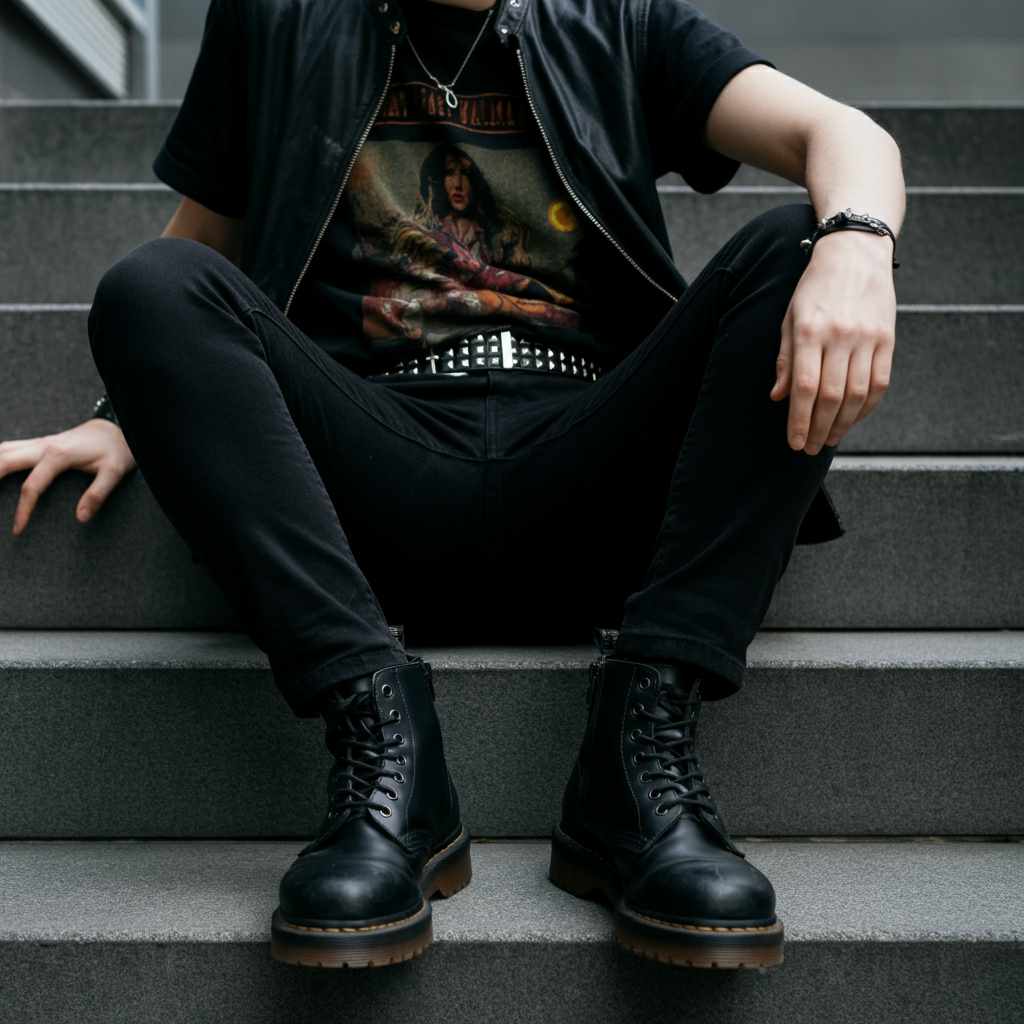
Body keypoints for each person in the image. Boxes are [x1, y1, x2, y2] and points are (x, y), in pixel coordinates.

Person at [0, 0, 903, 971]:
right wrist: (123, 408)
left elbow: (841, 132)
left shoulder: (617, 18)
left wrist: (854, 243)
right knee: (147, 284)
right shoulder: (276, 16)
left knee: (798, 242)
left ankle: (640, 752)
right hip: (369, 469)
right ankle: (385, 747)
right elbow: (201, 244)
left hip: (590, 463)